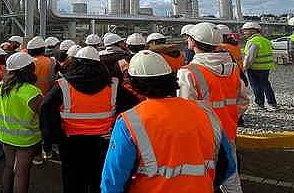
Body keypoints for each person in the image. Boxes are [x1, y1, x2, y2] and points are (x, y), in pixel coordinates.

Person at [101, 50, 237, 192]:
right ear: (171, 79)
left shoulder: (129, 121)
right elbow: (227, 165)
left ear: (134, 84)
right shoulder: (206, 113)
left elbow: (113, 179)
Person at [40, 47, 138, 192]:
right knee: (97, 180)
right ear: (99, 64)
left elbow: (46, 108)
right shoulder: (113, 84)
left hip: (71, 143)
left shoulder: (63, 85)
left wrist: (53, 138)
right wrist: (116, 128)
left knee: (72, 181)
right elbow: (132, 103)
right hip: (103, 142)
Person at [177, 22, 248, 193]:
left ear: (192, 42)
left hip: (203, 136)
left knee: (205, 177)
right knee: (231, 177)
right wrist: (229, 116)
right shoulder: (232, 69)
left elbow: (185, 109)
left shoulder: (188, 72)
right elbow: (243, 101)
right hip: (228, 131)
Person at [0, 52, 43, 193]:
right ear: (28, 69)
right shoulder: (31, 92)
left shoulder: (1, 86)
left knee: (9, 166)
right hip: (25, 139)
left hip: (4, 135)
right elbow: (44, 115)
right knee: (21, 171)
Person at [242, 22, 278, 110]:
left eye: (246, 31)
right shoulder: (266, 41)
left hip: (254, 68)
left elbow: (250, 58)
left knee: (256, 86)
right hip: (266, 67)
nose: (244, 33)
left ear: (252, 31)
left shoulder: (253, 42)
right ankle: (272, 103)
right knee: (266, 84)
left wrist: (244, 68)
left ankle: (259, 103)